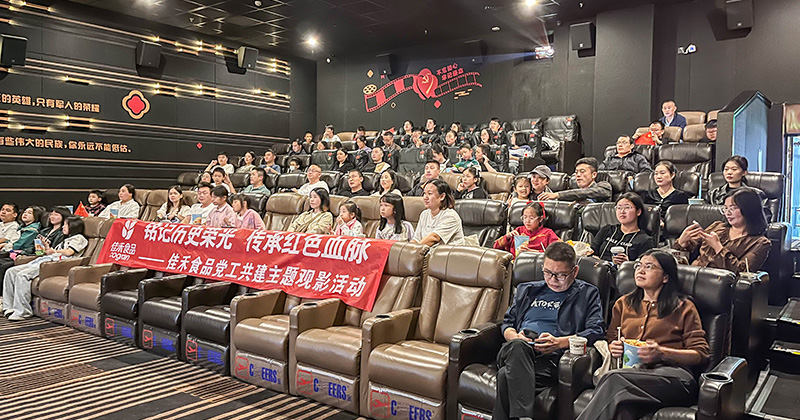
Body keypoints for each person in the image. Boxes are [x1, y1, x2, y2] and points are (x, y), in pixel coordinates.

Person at [577, 250, 708, 420]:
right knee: (622, 410)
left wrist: (662, 353)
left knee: (614, 379)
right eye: (639, 265)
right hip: (632, 374)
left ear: (665, 277)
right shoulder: (623, 304)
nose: (640, 270)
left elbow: (700, 354)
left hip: (674, 376)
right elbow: (612, 338)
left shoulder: (683, 307)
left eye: (649, 266)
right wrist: (614, 347)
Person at [494, 241, 605, 420]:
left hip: (550, 360)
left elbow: (596, 331)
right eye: (547, 272)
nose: (552, 280)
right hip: (514, 350)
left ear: (574, 271)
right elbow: (507, 323)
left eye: (560, 275)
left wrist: (559, 343)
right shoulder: (527, 290)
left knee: (505, 376)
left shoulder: (587, 294)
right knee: (518, 346)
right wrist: (514, 336)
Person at [2, 216, 88, 321]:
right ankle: (9, 307)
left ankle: (23, 311)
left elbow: (69, 252)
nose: (63, 227)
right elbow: (50, 252)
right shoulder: (65, 239)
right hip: (46, 260)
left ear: (73, 226)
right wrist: (47, 246)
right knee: (10, 271)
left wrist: (54, 251)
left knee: (22, 275)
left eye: (65, 225)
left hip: (56, 264)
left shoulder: (79, 238)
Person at [675, 188, 770, 272]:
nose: (728, 213)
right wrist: (682, 242)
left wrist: (718, 247)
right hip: (693, 275)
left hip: (720, 283)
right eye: (725, 208)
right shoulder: (718, 226)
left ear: (749, 209)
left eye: (733, 208)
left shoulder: (760, 243)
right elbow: (689, 249)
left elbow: (743, 271)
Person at [590, 192, 655, 264]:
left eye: (627, 207)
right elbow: (591, 252)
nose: (622, 211)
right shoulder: (606, 230)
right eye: (619, 208)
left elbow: (643, 266)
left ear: (638, 212)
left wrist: (627, 263)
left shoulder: (645, 240)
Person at [706, 156, 770, 220]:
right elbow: (705, 215)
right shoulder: (714, 194)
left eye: (734, 169)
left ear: (744, 172)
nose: (729, 172)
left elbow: (764, 217)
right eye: (726, 169)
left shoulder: (756, 194)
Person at [494, 202, 559, 257]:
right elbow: (495, 247)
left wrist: (532, 252)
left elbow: (559, 251)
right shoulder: (518, 230)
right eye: (524, 218)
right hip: (514, 263)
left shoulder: (547, 233)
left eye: (531, 218)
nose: (527, 221)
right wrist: (507, 237)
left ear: (540, 219)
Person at [413, 179, 465, 246]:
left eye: (429, 193)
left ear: (442, 196)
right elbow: (416, 239)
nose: (425, 197)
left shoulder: (450, 216)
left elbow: (434, 238)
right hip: (427, 251)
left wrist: (415, 249)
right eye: (424, 193)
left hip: (448, 252)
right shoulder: (424, 214)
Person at [539, 158, 612, 203]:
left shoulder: (604, 187)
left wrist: (558, 195)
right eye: (576, 172)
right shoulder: (572, 193)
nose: (578, 175)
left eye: (582, 171)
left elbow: (585, 192)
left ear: (594, 175)